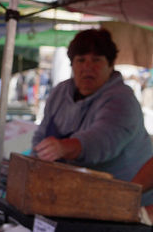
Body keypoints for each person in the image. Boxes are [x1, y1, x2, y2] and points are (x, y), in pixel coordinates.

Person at [32, 28, 153, 200]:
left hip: (123, 200)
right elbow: (41, 134)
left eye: (96, 60)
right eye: (81, 60)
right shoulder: (60, 92)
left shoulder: (122, 99)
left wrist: (64, 147)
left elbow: (101, 141)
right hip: (75, 192)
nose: (88, 67)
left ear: (110, 65)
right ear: (72, 64)